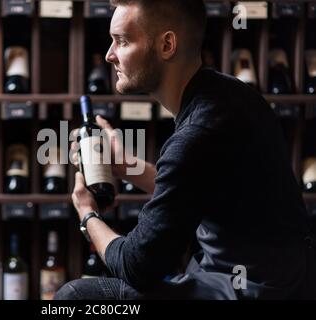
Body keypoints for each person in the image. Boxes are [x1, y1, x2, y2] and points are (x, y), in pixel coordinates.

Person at [56, 0, 316, 300]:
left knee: (75, 298)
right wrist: (127, 167)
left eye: (122, 41)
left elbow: (135, 264)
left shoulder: (197, 134)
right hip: (270, 275)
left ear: (167, 45)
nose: (109, 55)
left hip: (253, 290)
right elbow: (190, 189)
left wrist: (88, 215)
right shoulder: (229, 94)